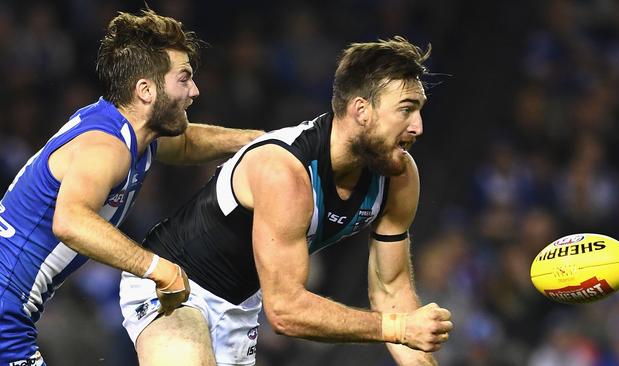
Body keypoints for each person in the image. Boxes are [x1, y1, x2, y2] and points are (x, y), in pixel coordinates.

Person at [120, 36, 453, 366]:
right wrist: (396, 328)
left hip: (239, 309)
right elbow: (286, 311)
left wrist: (413, 346)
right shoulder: (286, 171)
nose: (418, 127)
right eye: (406, 110)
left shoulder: (399, 177)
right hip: (173, 286)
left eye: (419, 110)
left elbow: (393, 291)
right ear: (361, 111)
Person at [0, 8, 262, 366]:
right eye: (183, 79)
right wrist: (156, 267)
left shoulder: (131, 130)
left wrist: (263, 142)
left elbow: (187, 143)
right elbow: (70, 221)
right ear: (146, 90)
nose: (194, 91)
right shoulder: (106, 147)